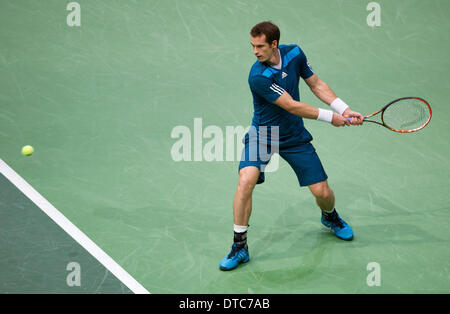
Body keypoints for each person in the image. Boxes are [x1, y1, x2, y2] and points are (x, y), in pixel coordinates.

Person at [219, 21, 363, 271]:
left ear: (274, 44)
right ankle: (240, 246)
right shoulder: (258, 75)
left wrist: (344, 109)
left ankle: (330, 217)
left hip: (293, 135)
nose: (255, 51)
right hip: (264, 134)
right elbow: (292, 106)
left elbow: (316, 84)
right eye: (252, 46)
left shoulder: (295, 53)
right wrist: (331, 118)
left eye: (260, 46)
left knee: (322, 193)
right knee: (245, 180)